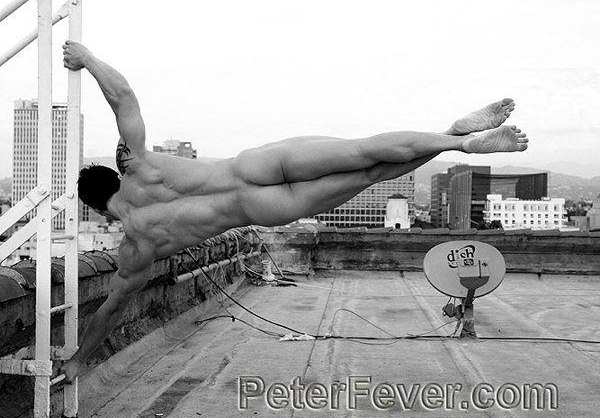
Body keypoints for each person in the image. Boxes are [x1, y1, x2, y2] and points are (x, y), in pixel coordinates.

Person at [58, 40, 528, 383]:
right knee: (362, 150)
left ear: (98, 211)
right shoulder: (137, 164)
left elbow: (113, 308)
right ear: (112, 174)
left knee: (369, 176)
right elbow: (124, 97)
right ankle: (457, 139)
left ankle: (457, 139)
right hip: (252, 165)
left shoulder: (136, 246)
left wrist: (78, 360)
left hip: (264, 206)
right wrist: (87, 58)